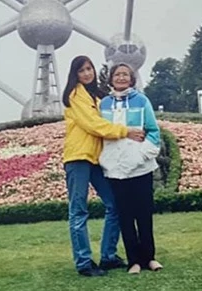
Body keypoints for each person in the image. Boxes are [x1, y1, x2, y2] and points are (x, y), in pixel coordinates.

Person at [62, 55, 146, 277]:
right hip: (78, 157)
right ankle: (84, 262)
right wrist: (125, 131)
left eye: (89, 69)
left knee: (115, 204)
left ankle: (108, 256)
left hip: (97, 159)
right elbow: (94, 125)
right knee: (78, 210)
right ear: (75, 74)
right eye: (82, 70)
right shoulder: (74, 96)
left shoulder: (98, 97)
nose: (87, 73)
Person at [99, 62, 164, 274]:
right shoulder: (104, 104)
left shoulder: (141, 100)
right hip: (115, 169)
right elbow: (100, 131)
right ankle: (134, 261)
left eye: (125, 74)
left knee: (144, 214)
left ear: (132, 78)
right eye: (117, 74)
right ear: (111, 78)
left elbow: (153, 131)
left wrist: (143, 153)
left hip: (141, 167)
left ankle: (150, 258)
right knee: (125, 216)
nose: (121, 78)